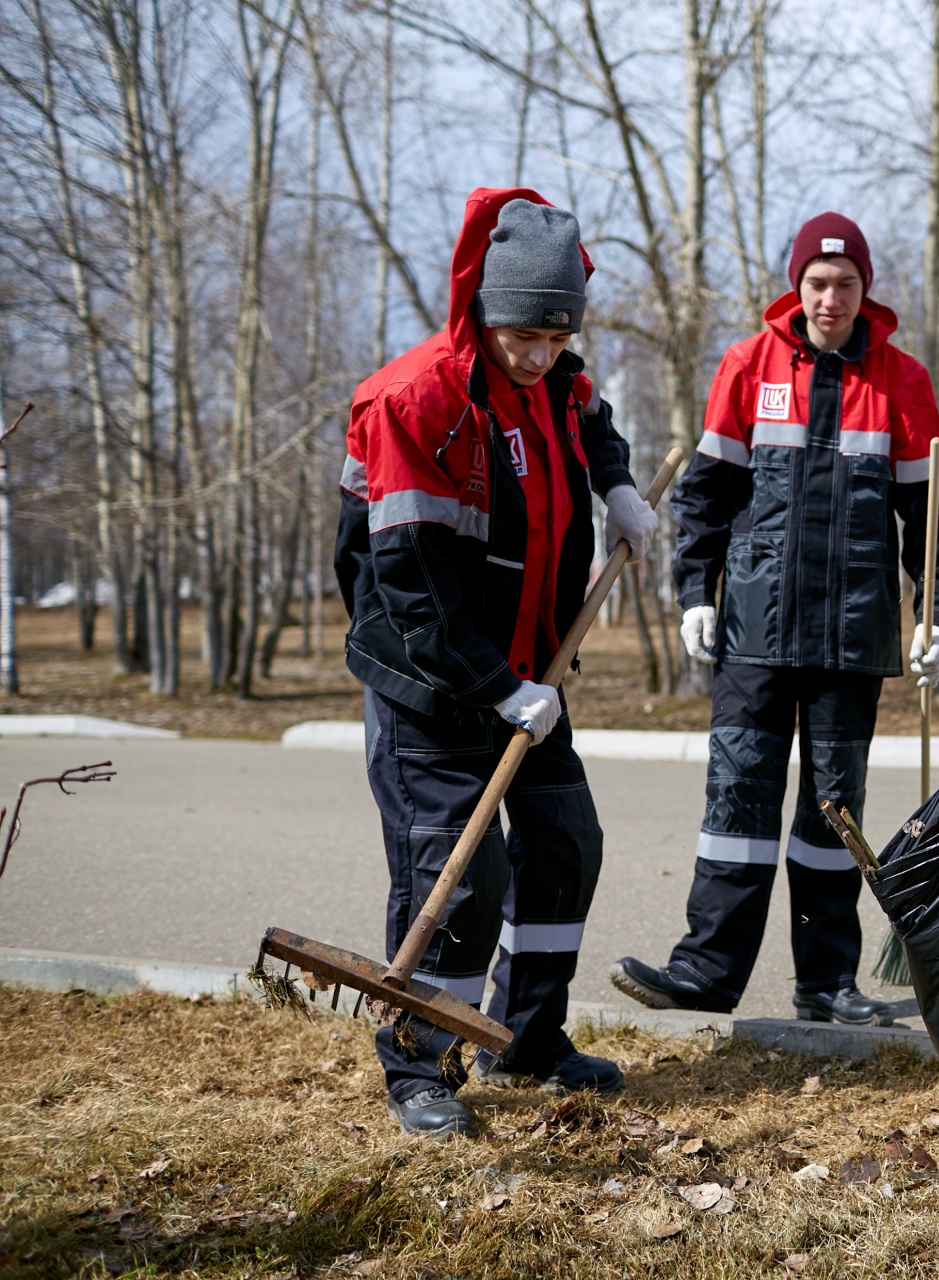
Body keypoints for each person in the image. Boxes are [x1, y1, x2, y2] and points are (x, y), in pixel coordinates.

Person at [336, 188, 658, 1138]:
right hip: (434, 686)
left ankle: (525, 1034)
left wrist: (621, 485)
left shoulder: (558, 377)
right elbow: (410, 585)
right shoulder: (414, 401)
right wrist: (495, 688)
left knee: (564, 846)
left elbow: (592, 419)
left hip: (533, 674)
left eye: (557, 338)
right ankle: (420, 1064)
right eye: (524, 335)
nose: (541, 355)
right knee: (460, 875)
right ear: (482, 305)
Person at [610, 213, 939, 1025]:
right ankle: (704, 971)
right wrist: (695, 593)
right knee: (736, 802)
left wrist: (935, 616)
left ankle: (827, 983)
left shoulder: (902, 382)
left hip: (855, 635)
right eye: (817, 283)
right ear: (795, 288)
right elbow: (703, 497)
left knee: (832, 816)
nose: (831, 297)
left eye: (845, 284)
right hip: (755, 636)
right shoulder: (748, 365)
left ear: (865, 290)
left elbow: (934, 515)